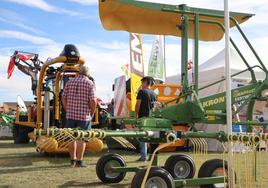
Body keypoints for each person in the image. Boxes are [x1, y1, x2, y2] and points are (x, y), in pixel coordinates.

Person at [62, 65, 97, 167]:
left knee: (71, 138)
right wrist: (92, 113)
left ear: (78, 72)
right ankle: (79, 161)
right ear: (88, 74)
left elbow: (63, 97)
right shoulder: (90, 83)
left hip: (70, 115)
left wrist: (67, 109)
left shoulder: (70, 82)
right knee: (82, 138)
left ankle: (72, 160)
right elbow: (93, 101)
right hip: (84, 116)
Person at [135, 76, 156, 161]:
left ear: (145, 82)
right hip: (151, 118)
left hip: (142, 118)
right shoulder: (154, 94)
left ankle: (143, 156)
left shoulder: (141, 91)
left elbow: (138, 104)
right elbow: (154, 107)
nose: (141, 84)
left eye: (142, 82)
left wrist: (135, 115)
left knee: (143, 137)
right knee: (151, 137)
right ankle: (151, 156)